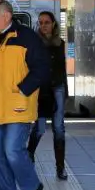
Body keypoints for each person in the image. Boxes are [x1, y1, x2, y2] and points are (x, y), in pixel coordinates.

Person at [0, 0, 49, 190]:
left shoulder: (27, 37)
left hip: (19, 106)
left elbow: (42, 69)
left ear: (6, 16)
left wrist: (23, 89)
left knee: (12, 150)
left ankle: (32, 187)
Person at [27, 11, 69, 180]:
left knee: (59, 128)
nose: (43, 25)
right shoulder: (34, 43)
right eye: (41, 22)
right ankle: (29, 155)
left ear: (53, 24)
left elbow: (62, 69)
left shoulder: (60, 43)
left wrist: (66, 92)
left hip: (57, 88)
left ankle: (60, 167)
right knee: (40, 127)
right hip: (41, 90)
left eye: (47, 22)